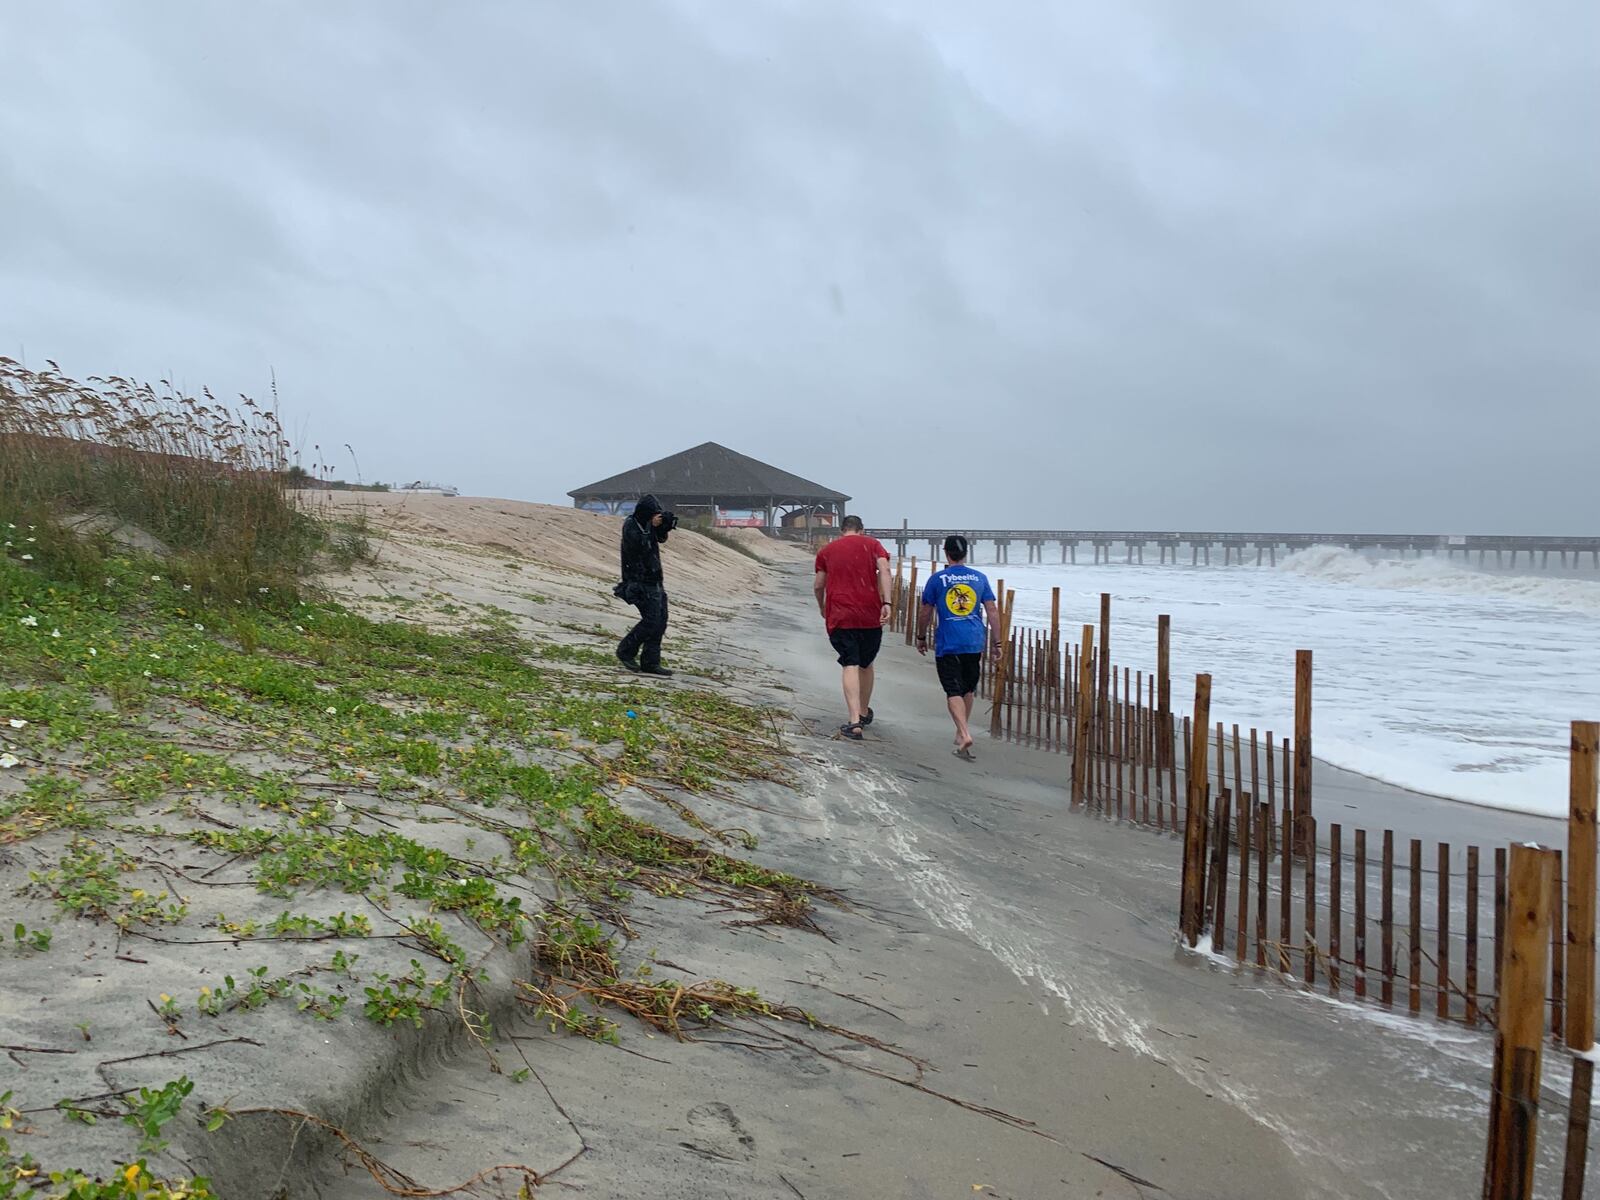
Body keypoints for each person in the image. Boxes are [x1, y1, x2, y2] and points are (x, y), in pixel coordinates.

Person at [916, 535, 999, 760]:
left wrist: (921, 636)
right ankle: (960, 733)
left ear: (946, 552)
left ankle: (964, 733)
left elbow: (925, 611)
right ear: (965, 553)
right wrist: (997, 641)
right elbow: (992, 610)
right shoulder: (980, 578)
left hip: (949, 642)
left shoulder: (937, 579)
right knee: (968, 689)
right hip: (974, 641)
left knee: (953, 690)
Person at [812, 514, 892, 740]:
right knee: (866, 663)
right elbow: (885, 570)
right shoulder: (873, 545)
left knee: (850, 663)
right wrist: (887, 602)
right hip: (869, 614)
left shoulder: (828, 551)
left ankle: (854, 720)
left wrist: (822, 606)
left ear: (841, 530)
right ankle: (864, 712)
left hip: (841, 614)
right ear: (862, 529)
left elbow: (818, 585)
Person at [615, 493, 677, 676]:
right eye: (653, 514)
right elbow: (638, 547)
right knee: (650, 621)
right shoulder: (631, 525)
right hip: (638, 582)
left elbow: (660, 539)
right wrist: (652, 526)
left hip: (655, 580)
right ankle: (625, 651)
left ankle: (650, 662)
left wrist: (664, 527)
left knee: (660, 621)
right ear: (645, 513)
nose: (655, 517)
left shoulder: (648, 525)